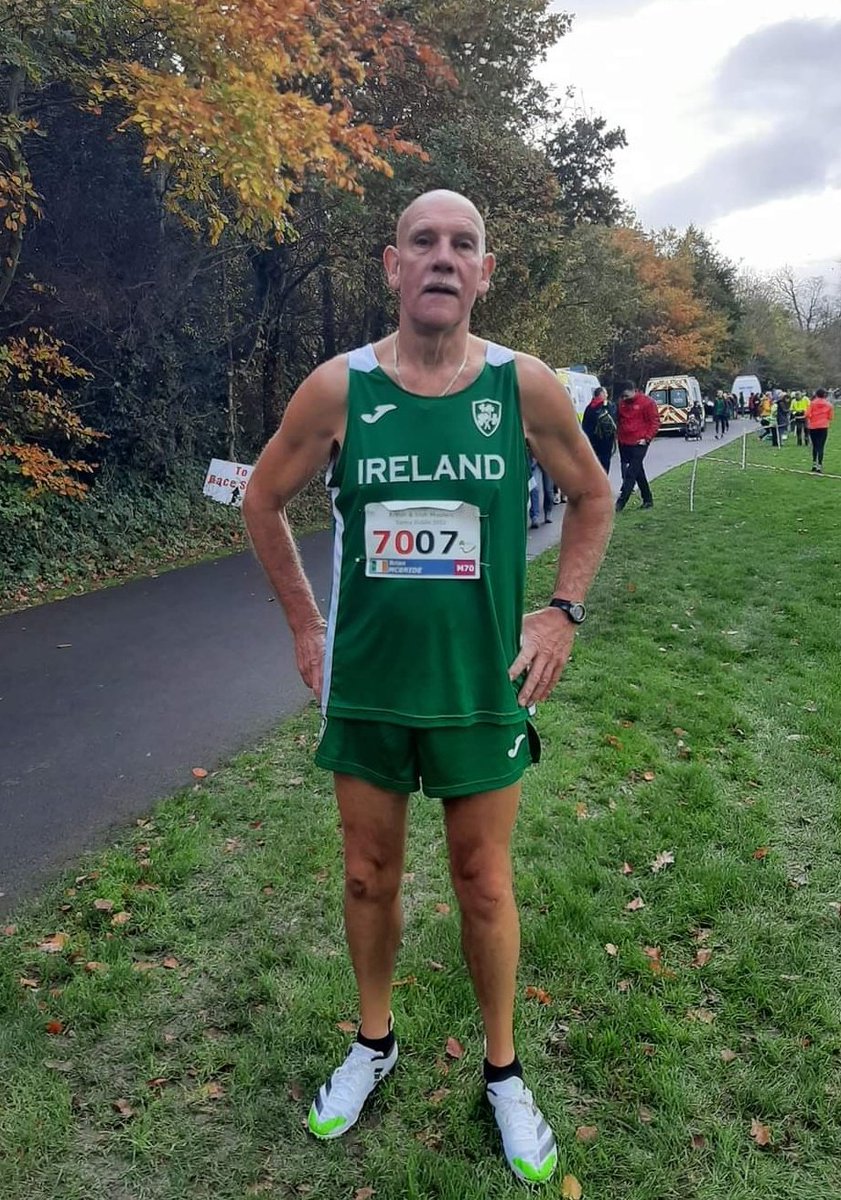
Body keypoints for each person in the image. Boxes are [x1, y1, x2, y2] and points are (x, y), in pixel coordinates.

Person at [241, 189, 614, 1185]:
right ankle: (374, 1042)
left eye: (462, 244)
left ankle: (503, 1071)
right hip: (367, 687)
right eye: (423, 242)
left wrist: (560, 612)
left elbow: (591, 495)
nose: (442, 257)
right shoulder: (338, 389)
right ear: (392, 265)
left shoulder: (522, 387)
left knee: (483, 882)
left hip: (479, 688)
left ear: (484, 272)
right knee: (367, 875)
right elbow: (262, 499)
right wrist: (305, 625)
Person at [614, 380, 660, 511]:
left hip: (639, 442)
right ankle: (648, 499)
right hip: (624, 442)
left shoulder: (647, 403)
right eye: (622, 396)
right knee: (638, 471)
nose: (624, 399)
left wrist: (647, 438)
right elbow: (620, 420)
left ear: (633, 390)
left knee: (631, 473)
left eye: (626, 395)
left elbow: (655, 422)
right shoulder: (622, 403)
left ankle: (620, 503)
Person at [581, 386, 616, 474]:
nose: (607, 395)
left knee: (594, 460)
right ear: (602, 394)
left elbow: (585, 424)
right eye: (606, 393)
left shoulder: (589, 407)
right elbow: (613, 421)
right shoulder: (607, 406)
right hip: (605, 440)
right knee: (605, 461)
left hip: (592, 439)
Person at [806, 388, 833, 473]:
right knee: (821, 446)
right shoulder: (829, 405)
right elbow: (830, 417)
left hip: (813, 426)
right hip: (823, 426)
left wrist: (813, 417)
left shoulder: (812, 403)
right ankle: (819, 466)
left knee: (815, 445)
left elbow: (807, 414)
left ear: (816, 394)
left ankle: (814, 463)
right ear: (824, 395)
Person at [529, 454, 556, 528]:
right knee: (534, 488)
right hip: (533, 458)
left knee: (548, 490)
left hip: (547, 459)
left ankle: (548, 512)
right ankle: (534, 516)